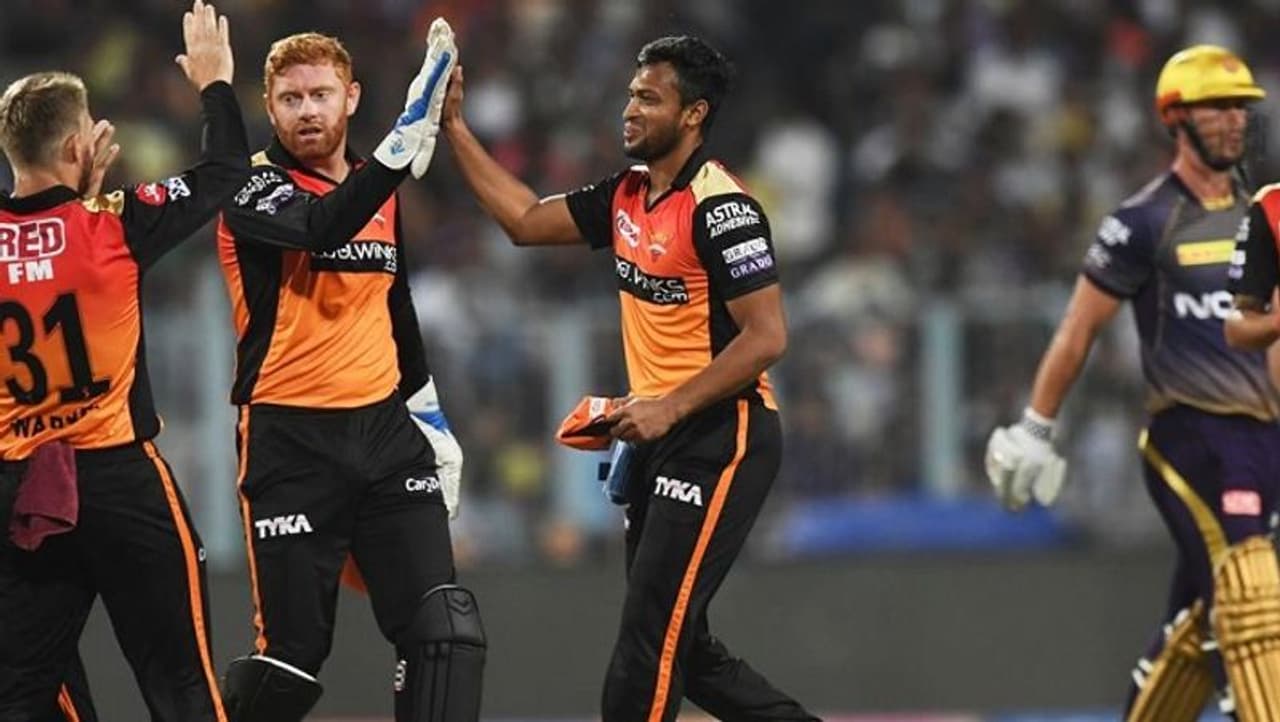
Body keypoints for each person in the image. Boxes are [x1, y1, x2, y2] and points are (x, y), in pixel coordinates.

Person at [441, 34, 818, 722]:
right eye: (631, 94)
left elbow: (768, 337)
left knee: (648, 636)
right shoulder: (627, 193)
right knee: (683, 648)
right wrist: (455, 129)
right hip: (659, 438)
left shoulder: (722, 207)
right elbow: (524, 220)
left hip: (721, 435)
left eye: (649, 97)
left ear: (694, 114)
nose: (630, 109)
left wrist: (668, 408)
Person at [984, 45, 1280, 721]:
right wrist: (1036, 426)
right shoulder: (1143, 220)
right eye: (1216, 107)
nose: (1234, 120)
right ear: (1176, 118)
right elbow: (1079, 328)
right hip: (1190, 436)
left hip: (1263, 440)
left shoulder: (1264, 215)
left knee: (1196, 621)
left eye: (1241, 108)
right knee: (1252, 590)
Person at [214, 21, 483, 722]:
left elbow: (396, 304)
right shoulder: (250, 184)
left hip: (386, 437)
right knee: (290, 660)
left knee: (443, 628)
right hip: (291, 441)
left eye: (321, 95)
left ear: (351, 98)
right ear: (269, 108)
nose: (307, 111)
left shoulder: (376, 187)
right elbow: (319, 227)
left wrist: (428, 412)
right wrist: (401, 145)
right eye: (291, 98)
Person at [0, 1, 249, 720]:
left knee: (22, 694)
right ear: (79, 144)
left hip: (21, 490)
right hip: (118, 480)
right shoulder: (114, 223)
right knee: (180, 682)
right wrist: (215, 82)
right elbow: (225, 169)